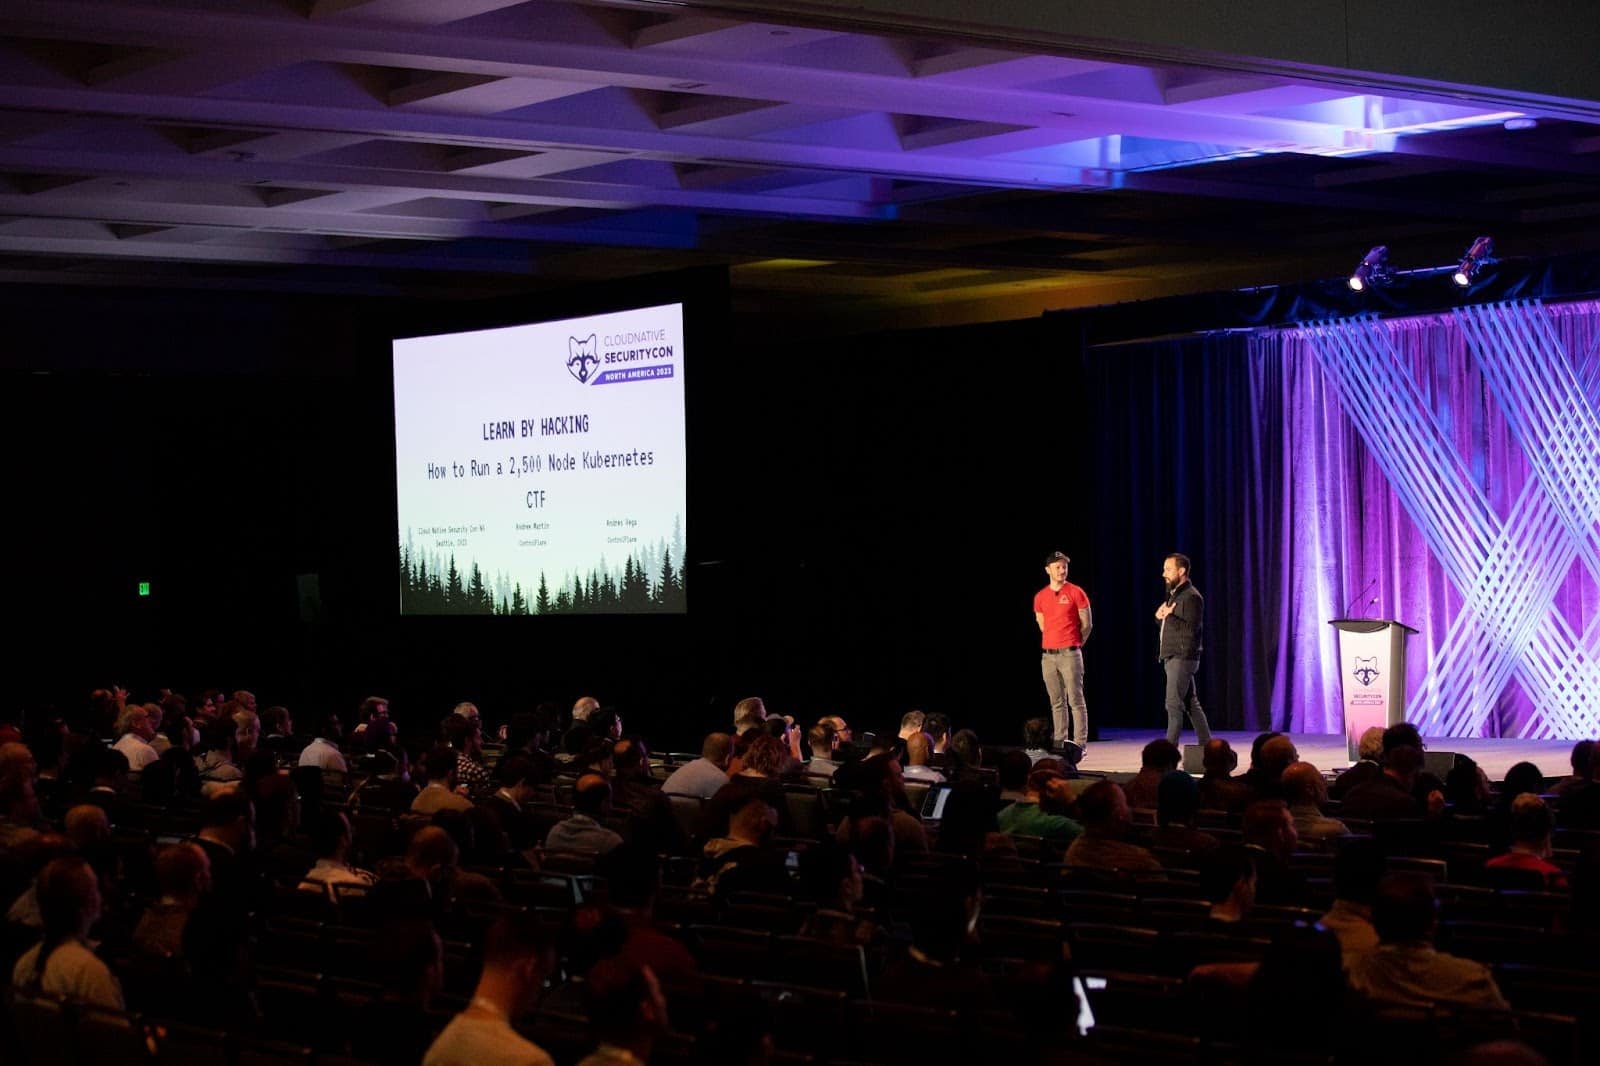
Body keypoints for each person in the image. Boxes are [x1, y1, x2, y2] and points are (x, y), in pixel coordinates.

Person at [423, 913, 558, 1066]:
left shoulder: (440, 1046)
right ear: (529, 968)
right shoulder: (530, 1061)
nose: (537, 994)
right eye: (543, 979)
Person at [1034, 551, 1092, 752]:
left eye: (1064, 566)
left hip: (1070, 653)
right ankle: (1060, 741)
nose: (1062, 570)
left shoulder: (1076, 592)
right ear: (1048, 570)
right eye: (1057, 567)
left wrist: (1075, 643)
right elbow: (1042, 624)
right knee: (1056, 701)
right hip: (1048, 656)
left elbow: (1087, 624)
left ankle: (1079, 744)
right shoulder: (1040, 597)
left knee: (1075, 699)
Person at [1155, 552, 1211, 745]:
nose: (1164, 574)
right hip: (1173, 656)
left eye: (1168, 569)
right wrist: (1161, 616)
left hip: (1182, 657)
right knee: (1190, 703)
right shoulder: (1175, 594)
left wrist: (1169, 616)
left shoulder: (1191, 597)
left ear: (1182, 571)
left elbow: (1191, 629)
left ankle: (1167, 755)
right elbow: (1172, 625)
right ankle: (1207, 746)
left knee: (1173, 705)